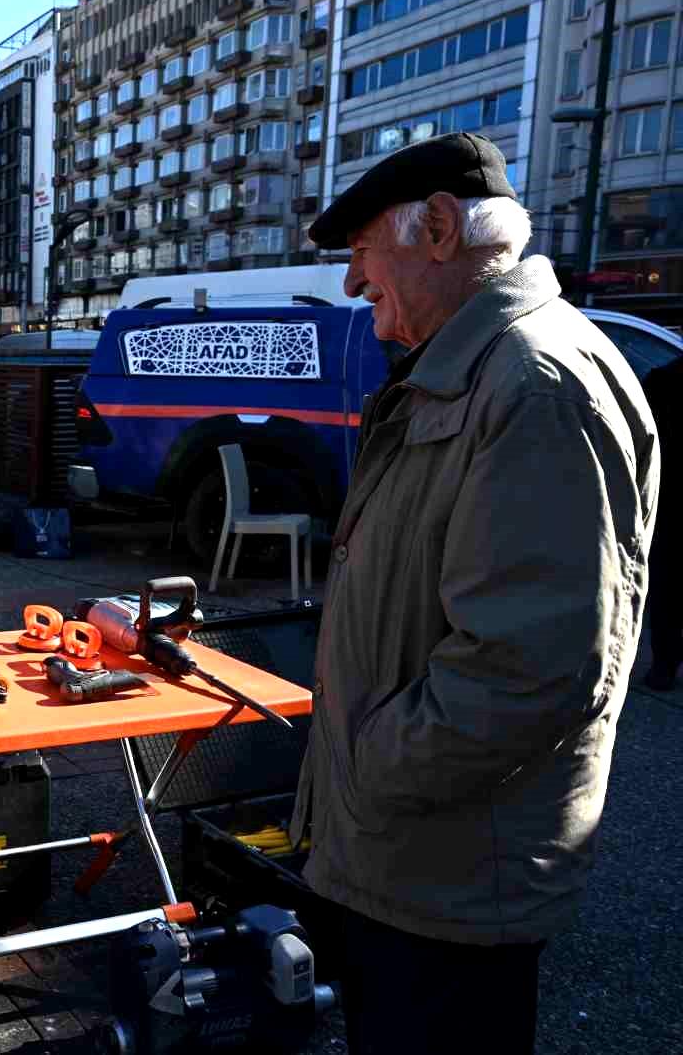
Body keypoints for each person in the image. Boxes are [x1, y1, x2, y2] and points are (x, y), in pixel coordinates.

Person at [292, 133, 658, 1054]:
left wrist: (367, 771)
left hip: (446, 876)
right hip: (408, 860)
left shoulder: (532, 382)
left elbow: (527, 668)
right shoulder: (479, 371)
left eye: (362, 252)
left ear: (442, 229)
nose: (351, 283)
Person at [641, 354, 683, 690]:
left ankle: (664, 665)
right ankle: (664, 664)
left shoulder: (662, 380)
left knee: (667, 585)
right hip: (669, 497)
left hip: (668, 496)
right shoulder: (662, 380)